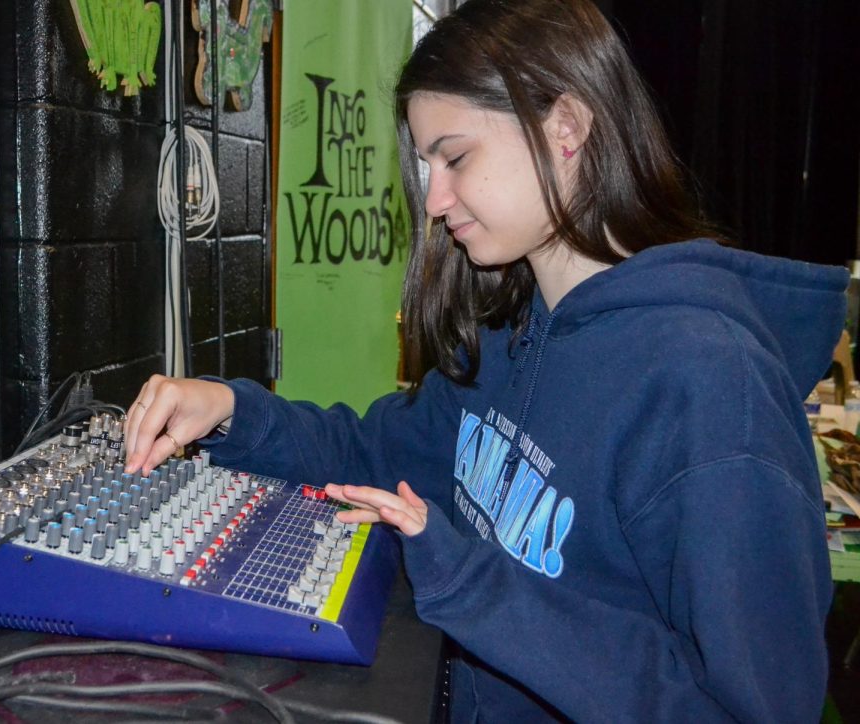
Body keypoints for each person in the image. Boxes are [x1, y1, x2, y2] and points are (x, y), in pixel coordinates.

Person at [123, 0, 847, 719]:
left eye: (456, 157)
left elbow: (750, 708)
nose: (435, 199)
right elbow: (376, 449)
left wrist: (472, 584)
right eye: (427, 164)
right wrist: (231, 411)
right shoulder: (513, 326)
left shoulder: (712, 384)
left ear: (566, 127)